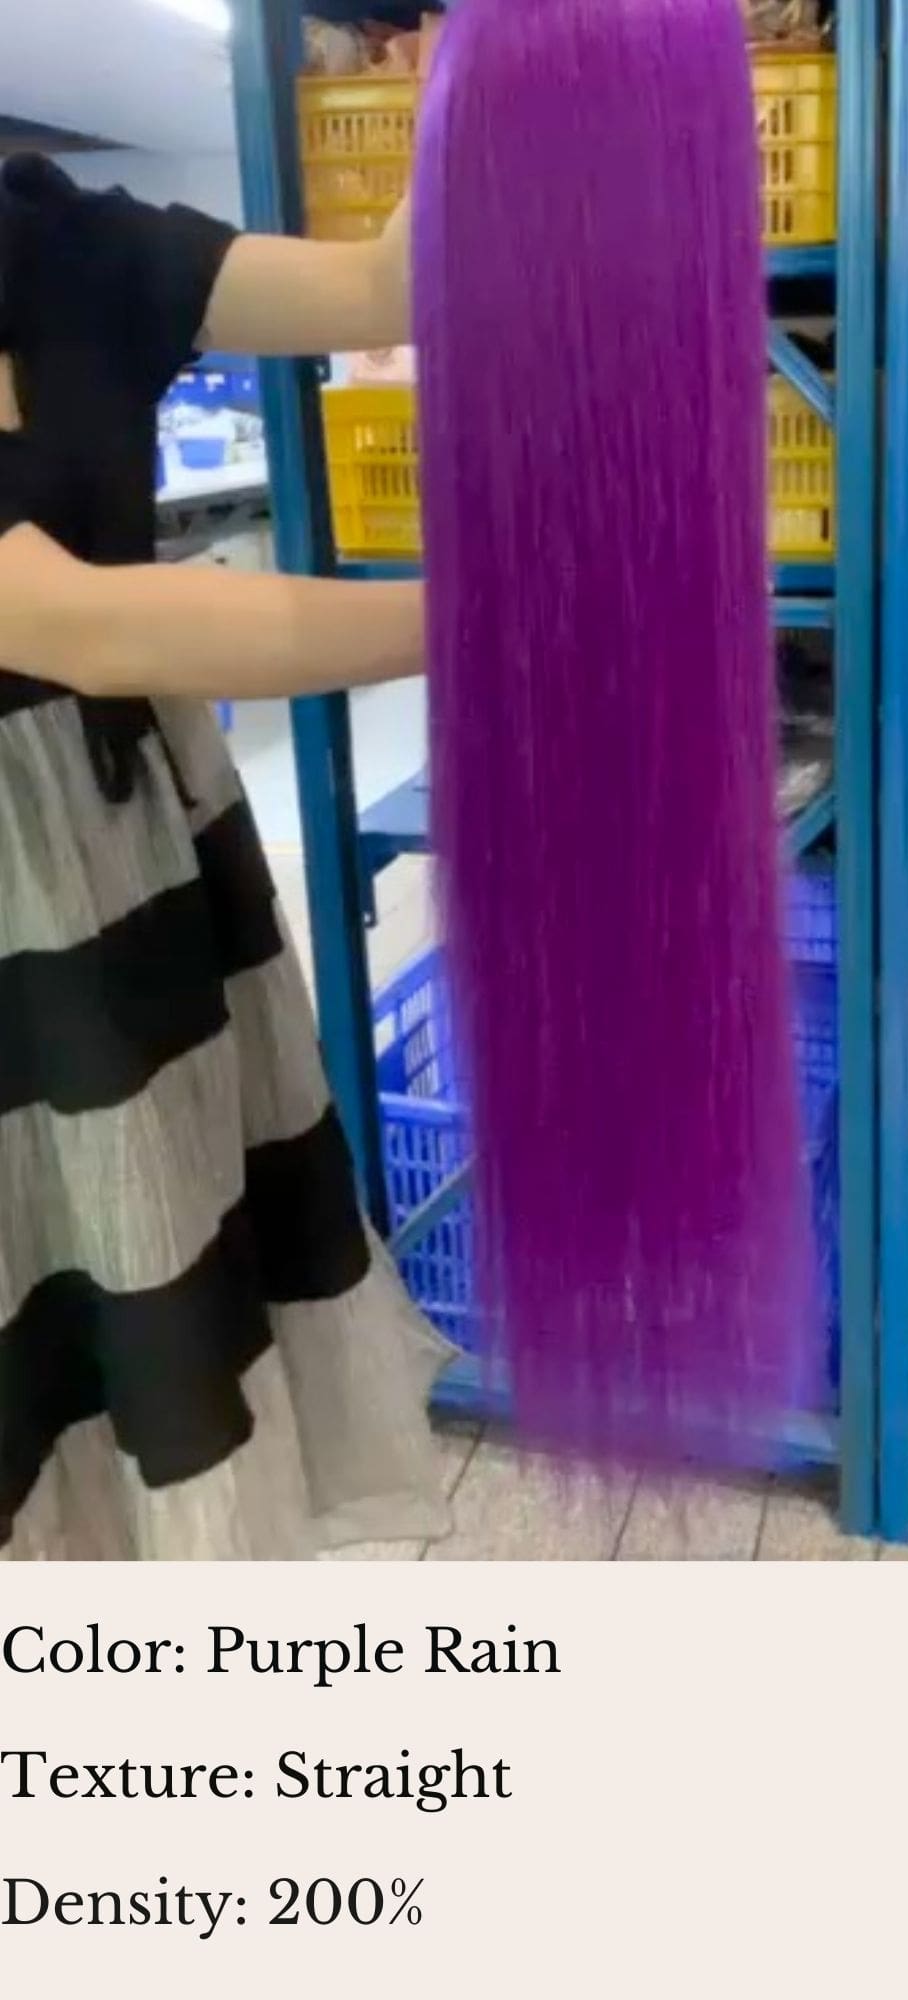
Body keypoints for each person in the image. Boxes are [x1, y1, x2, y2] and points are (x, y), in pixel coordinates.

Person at [0, 152, 454, 1561]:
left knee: (163, 1276)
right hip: (20, 895)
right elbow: (76, 623)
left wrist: (482, 73)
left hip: (135, 836)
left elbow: (384, 285)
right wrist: (501, 606)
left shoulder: (60, 241)